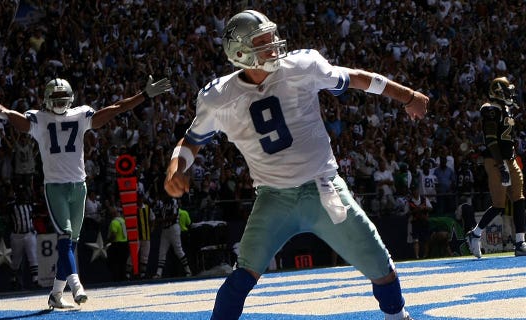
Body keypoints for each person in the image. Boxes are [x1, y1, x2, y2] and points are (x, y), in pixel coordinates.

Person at [164, 10, 427, 320]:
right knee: (242, 275)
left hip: (323, 188)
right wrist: (175, 168)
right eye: (262, 41)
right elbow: (191, 140)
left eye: (272, 36)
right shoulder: (219, 97)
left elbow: (355, 77)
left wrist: (407, 95)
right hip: (274, 197)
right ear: (240, 53)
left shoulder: (301, 66)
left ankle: (397, 317)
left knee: (379, 265)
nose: (273, 45)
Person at [0, 74, 171, 308]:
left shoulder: (80, 114)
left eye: (63, 98)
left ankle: (56, 294)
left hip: (79, 185)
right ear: (47, 99)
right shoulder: (38, 119)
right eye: (56, 98)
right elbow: (6, 113)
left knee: (70, 243)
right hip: (55, 187)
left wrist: (144, 95)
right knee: (66, 236)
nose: (59, 102)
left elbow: (116, 108)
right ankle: (76, 285)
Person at [466, 77, 526, 258]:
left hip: (510, 158)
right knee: (499, 205)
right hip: (495, 160)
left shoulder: (506, 109)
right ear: (498, 92)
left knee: (519, 199)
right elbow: (491, 140)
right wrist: (501, 166)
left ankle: (520, 242)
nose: (511, 94)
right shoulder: (490, 109)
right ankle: (475, 234)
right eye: (507, 91)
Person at [5, 185, 39, 289]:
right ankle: (13, 280)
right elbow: (5, 211)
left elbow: (34, 213)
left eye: (24, 194)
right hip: (17, 235)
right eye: (20, 194)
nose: (23, 196)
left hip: (29, 233)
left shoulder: (29, 205)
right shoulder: (12, 206)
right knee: (16, 260)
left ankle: (35, 281)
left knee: (32, 256)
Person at [152, 193, 192, 279]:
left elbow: (173, 216)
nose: (163, 197)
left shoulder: (174, 202)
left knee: (178, 250)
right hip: (165, 229)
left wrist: (162, 220)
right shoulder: (161, 203)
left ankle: (188, 270)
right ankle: (159, 273)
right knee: (162, 251)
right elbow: (157, 216)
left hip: (173, 228)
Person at [106, 205, 129, 281]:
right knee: (123, 263)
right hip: (125, 244)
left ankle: (116, 279)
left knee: (115, 263)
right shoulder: (123, 221)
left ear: (113, 214)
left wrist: (108, 241)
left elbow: (114, 235)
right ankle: (123, 278)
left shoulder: (114, 222)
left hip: (117, 245)